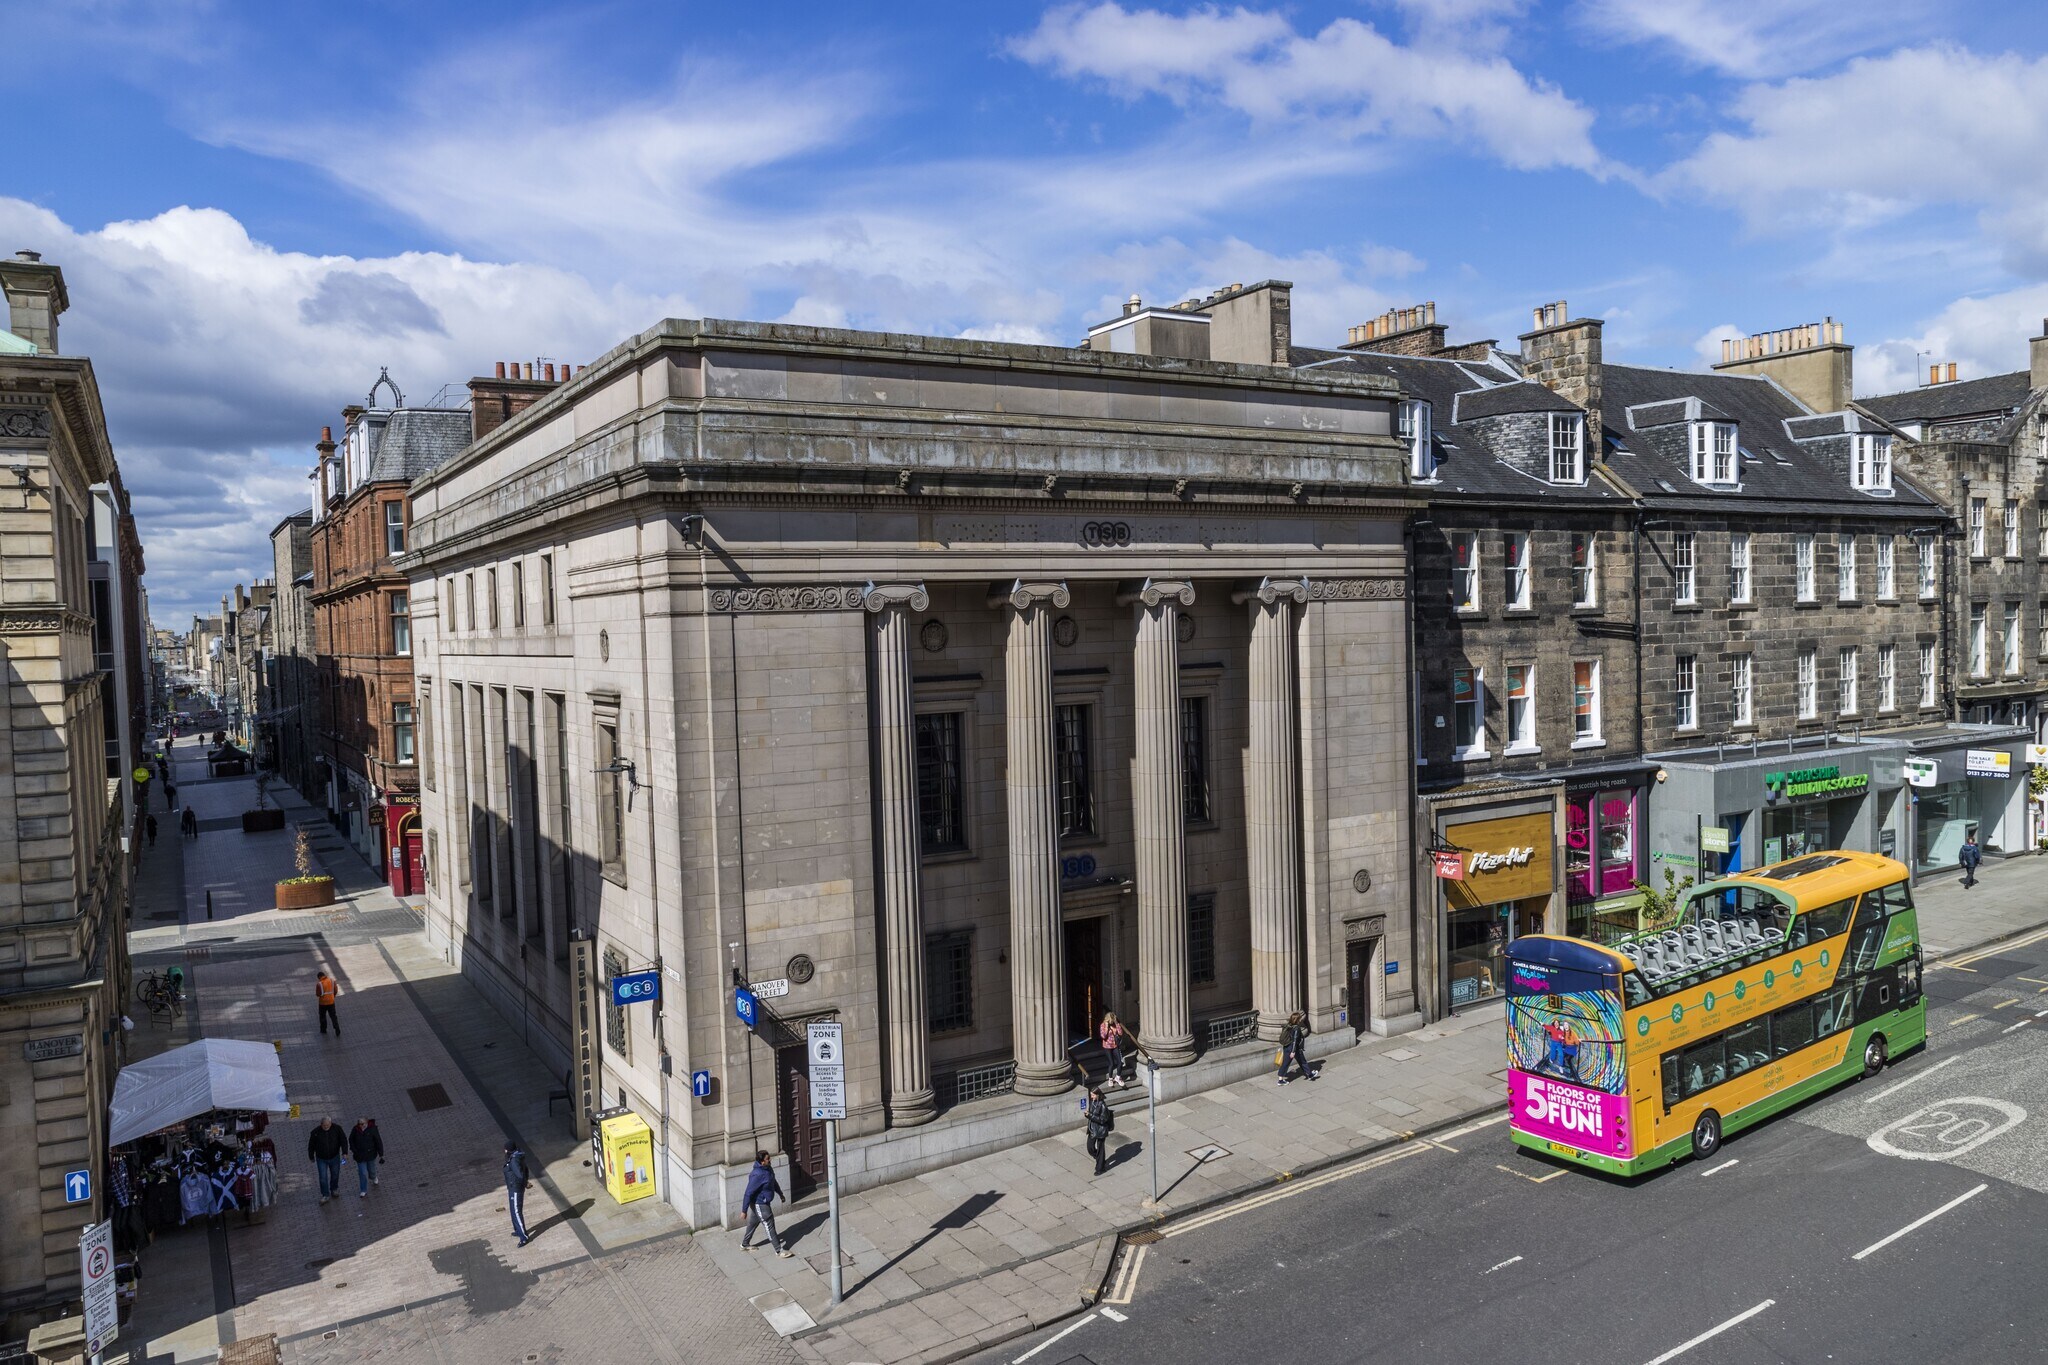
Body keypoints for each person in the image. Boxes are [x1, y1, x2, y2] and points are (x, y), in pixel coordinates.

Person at [739, 1150, 795, 1257]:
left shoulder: (768, 1169)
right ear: (762, 1162)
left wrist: (780, 1194)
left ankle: (744, 1244)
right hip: (760, 1203)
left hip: (763, 1203)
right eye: (767, 1159)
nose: (770, 1160)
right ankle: (779, 1250)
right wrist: (744, 1211)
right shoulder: (757, 1175)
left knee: (753, 1223)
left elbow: (773, 1182)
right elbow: (748, 1193)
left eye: (769, 1158)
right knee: (769, 1224)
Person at [307, 1117, 346, 1205]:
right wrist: (311, 1156)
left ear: (330, 1124)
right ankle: (325, 1194)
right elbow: (311, 1145)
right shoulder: (315, 1132)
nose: (326, 1127)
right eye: (324, 1125)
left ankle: (334, 1189)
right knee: (323, 1178)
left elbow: (343, 1140)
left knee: (335, 1174)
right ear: (321, 1124)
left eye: (327, 1125)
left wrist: (344, 1152)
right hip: (321, 1159)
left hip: (334, 1156)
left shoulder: (337, 1129)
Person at [503, 1141, 532, 1246]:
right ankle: (518, 1230)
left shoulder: (514, 1160)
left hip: (516, 1188)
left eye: (505, 1149)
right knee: (513, 1210)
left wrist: (524, 1183)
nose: (504, 1151)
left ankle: (524, 1237)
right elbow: (526, 1170)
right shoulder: (516, 1156)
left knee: (516, 1211)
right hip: (513, 1187)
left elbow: (520, 1175)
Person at [1098, 1011, 1136, 1089]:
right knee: (1111, 1063)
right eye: (1110, 1021)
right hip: (1107, 1047)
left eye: (1112, 1020)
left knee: (1120, 1062)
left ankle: (1118, 1077)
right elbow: (1103, 1036)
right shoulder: (1103, 1025)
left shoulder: (1115, 1024)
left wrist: (1117, 1023)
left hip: (1115, 1045)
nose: (1111, 1022)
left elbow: (1121, 1033)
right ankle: (1110, 1079)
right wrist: (1106, 1026)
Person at [1277, 1010, 1316, 1084]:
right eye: (1300, 1018)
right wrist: (1293, 1051)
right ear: (1297, 1019)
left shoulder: (1288, 1025)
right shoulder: (1296, 1028)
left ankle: (1309, 1074)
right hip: (1294, 1048)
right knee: (1302, 1061)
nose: (1301, 1019)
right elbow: (1295, 1040)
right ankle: (1280, 1080)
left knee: (1286, 1062)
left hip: (1286, 1046)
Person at [1084, 1086, 1114, 1176]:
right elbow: (1091, 1115)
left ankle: (1100, 1168)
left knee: (1101, 1149)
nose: (1091, 1097)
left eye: (1093, 1095)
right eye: (1091, 1095)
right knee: (1090, 1147)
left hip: (1101, 1130)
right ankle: (1100, 1159)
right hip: (1092, 1129)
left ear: (1097, 1095)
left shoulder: (1103, 1106)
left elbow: (1102, 1119)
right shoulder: (1092, 1102)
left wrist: (1090, 1116)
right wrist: (1087, 1114)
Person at [349, 1118, 384, 1197]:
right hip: (360, 1156)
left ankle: (373, 1177)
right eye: (360, 1124)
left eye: (363, 1124)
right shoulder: (355, 1130)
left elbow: (378, 1141)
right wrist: (354, 1150)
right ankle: (363, 1189)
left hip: (370, 1154)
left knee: (371, 1170)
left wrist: (381, 1153)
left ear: (367, 1123)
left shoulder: (372, 1129)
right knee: (363, 1173)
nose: (361, 1126)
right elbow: (351, 1140)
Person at [316, 971, 340, 1037]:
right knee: (333, 1016)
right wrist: (333, 996)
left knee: (322, 1016)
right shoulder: (332, 981)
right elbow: (335, 990)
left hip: (322, 1003)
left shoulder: (319, 984)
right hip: (331, 1002)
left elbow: (318, 994)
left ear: (319, 977)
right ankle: (336, 1027)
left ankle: (323, 1029)